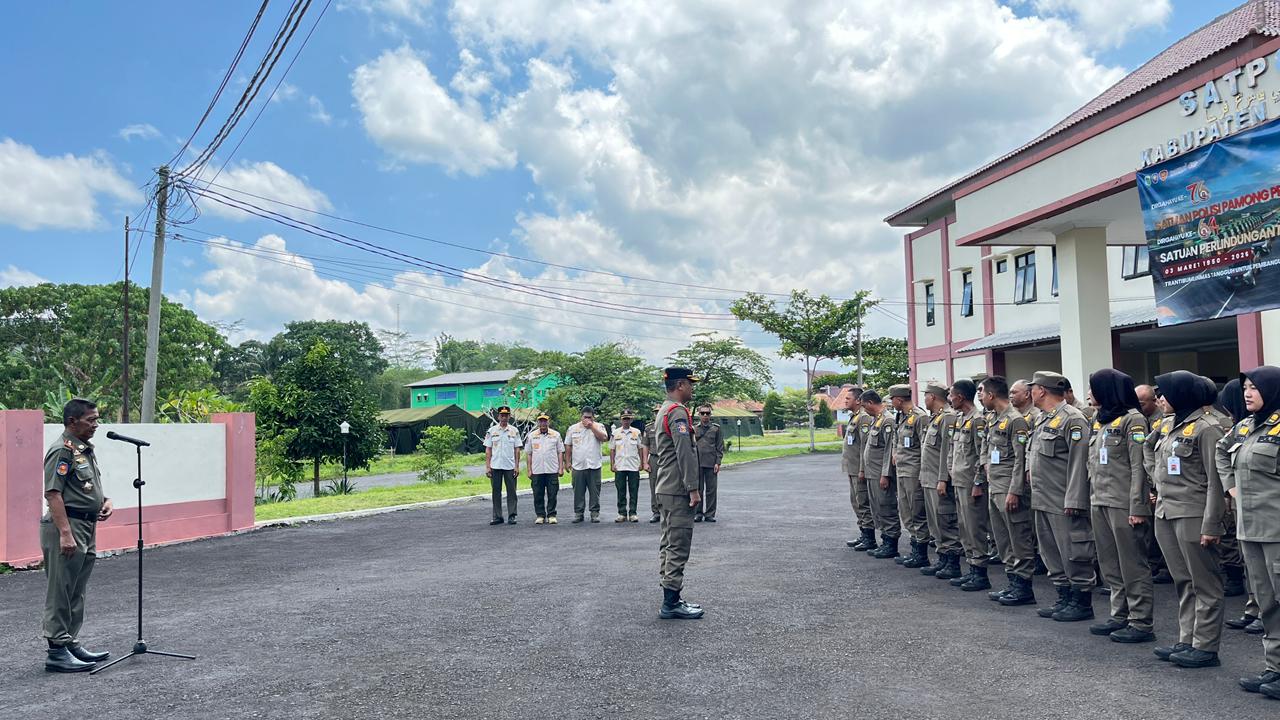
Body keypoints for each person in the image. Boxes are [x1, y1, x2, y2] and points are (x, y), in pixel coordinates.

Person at [1149, 370, 1227, 669]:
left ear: (1182, 395)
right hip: (1167, 511)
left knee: (1204, 582)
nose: (1161, 399)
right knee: (1183, 580)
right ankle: (1187, 639)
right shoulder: (1171, 425)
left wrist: (1211, 524)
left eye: (1166, 393)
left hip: (1194, 513)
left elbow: (1215, 482)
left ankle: (1206, 646)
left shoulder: (1207, 428)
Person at [41, 397, 113, 673]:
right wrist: (65, 534)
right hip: (66, 526)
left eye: (96, 419)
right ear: (72, 421)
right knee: (61, 589)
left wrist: (104, 500)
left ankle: (69, 642)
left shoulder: (82, 450)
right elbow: (53, 493)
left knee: (76, 589)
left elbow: (84, 487)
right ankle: (57, 651)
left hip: (86, 525)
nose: (96, 424)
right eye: (91, 420)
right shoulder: (61, 450)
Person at [1222, 366, 1280, 697]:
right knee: (1267, 603)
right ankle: (1275, 667)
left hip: (1276, 530)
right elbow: (1221, 452)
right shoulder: (1245, 426)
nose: (1247, 393)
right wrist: (1230, 486)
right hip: (1251, 530)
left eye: (1255, 387)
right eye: (1245, 387)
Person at [1085, 369, 1155, 643]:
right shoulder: (1099, 419)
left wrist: (1137, 506)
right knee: (1109, 563)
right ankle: (1119, 613)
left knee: (1132, 563)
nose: (1090, 394)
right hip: (1100, 499)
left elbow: (1139, 467)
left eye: (1094, 388)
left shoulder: (1133, 420)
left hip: (1123, 503)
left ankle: (1140, 621)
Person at [1026, 371, 1096, 622]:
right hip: (1043, 498)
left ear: (1042, 391)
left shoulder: (1072, 419)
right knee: (1051, 552)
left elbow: (1080, 463)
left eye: (1032, 388)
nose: (1030, 392)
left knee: (1073, 550)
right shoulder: (1042, 419)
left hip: (1063, 499)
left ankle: (1081, 601)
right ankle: (1064, 596)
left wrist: (1075, 499)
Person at [653, 368, 704, 619]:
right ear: (681, 385)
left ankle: (671, 596)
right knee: (678, 545)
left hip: (666, 486)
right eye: (690, 385)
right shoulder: (677, 412)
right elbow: (684, 452)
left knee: (668, 543)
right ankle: (671, 603)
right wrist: (693, 488)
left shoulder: (665, 409)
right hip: (677, 489)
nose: (692, 389)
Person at [981, 376, 1037, 606]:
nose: (980, 397)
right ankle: (1012, 581)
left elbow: (1020, 459)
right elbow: (986, 448)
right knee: (1003, 539)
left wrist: (1015, 491)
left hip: (1008, 488)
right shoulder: (993, 418)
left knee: (1018, 537)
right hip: (995, 486)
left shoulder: (1016, 420)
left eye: (982, 392)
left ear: (992, 395)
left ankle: (1024, 586)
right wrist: (984, 466)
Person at [946, 379, 992, 591]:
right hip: (959, 481)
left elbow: (981, 455)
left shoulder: (977, 420)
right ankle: (972, 569)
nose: (949, 399)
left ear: (961, 397)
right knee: (964, 528)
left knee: (975, 529)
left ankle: (980, 573)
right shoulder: (960, 419)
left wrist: (977, 482)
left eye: (951, 395)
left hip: (970, 483)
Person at [920, 383, 962, 578]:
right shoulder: (935, 418)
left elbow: (947, 451)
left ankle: (952, 562)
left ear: (934, 397)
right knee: (935, 522)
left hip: (939, 478)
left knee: (946, 520)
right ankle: (942, 558)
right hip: (928, 478)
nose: (925, 398)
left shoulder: (948, 418)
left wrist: (943, 479)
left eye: (926, 395)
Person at [888, 385, 931, 569]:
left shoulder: (919, 417)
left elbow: (925, 447)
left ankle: (921, 553)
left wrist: (923, 472)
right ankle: (914, 548)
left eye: (892, 399)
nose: (891, 403)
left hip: (914, 472)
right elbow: (898, 441)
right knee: (906, 511)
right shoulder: (901, 416)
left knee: (917, 512)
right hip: (902, 471)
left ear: (898, 399)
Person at [860, 390, 900, 559]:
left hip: (880, 474)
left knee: (886, 507)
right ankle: (885, 540)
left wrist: (886, 474)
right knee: (877, 508)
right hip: (872, 472)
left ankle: (891, 544)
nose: (864, 409)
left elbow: (889, 450)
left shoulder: (888, 420)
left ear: (870, 403)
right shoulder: (877, 420)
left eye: (864, 406)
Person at [841, 387, 877, 551]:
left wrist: (863, 469)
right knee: (856, 502)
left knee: (863, 503)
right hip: (852, 468)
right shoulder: (854, 417)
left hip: (858, 469)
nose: (845, 401)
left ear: (858, 400)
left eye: (848, 399)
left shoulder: (863, 418)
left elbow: (864, 446)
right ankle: (863, 533)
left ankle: (869, 538)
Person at [566, 408, 609, 523]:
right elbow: (568, 445)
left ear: (593, 417)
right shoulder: (573, 428)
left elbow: (604, 438)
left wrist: (592, 427)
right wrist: (568, 461)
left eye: (590, 417)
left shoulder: (599, 426)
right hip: (578, 465)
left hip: (594, 464)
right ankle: (578, 513)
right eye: (585, 417)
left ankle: (594, 513)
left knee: (595, 491)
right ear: (581, 417)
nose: (587, 419)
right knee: (578, 491)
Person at [484, 406, 522, 525]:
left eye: (506, 415)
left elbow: (517, 450)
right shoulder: (492, 431)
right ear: (498, 416)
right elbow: (488, 450)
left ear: (509, 416)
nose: (504, 417)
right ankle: (497, 516)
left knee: (512, 492)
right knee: (496, 492)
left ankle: (512, 515)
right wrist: (487, 466)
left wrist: (517, 466)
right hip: (495, 465)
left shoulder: (514, 431)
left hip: (509, 466)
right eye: (502, 415)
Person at [525, 413, 565, 525]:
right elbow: (529, 454)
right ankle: (540, 515)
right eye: (541, 421)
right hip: (537, 470)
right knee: (538, 493)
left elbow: (560, 452)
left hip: (552, 469)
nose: (543, 423)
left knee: (552, 493)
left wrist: (561, 467)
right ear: (538, 422)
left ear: (548, 422)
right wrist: (529, 469)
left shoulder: (555, 435)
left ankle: (552, 515)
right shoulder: (532, 436)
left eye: (545, 421)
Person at [611, 409, 645, 523]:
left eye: (628, 418)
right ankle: (621, 513)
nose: (626, 421)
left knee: (633, 490)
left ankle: (633, 513)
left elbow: (640, 448)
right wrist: (612, 464)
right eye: (624, 418)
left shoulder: (637, 432)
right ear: (621, 420)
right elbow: (612, 449)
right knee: (620, 490)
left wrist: (641, 462)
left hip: (633, 465)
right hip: (620, 465)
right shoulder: (615, 433)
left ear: (631, 419)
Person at [693, 405, 725, 523]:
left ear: (710, 415)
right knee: (698, 489)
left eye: (707, 413)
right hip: (698, 462)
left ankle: (710, 513)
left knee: (711, 489)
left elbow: (720, 447)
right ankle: (698, 513)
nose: (705, 415)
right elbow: (691, 446)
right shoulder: (694, 429)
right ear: (699, 415)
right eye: (703, 413)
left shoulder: (716, 429)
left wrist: (718, 462)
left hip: (711, 462)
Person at [644, 402, 662, 523]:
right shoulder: (649, 428)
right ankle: (656, 512)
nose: (657, 414)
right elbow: (645, 445)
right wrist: (645, 462)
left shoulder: (668, 426)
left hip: (667, 458)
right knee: (654, 486)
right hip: (654, 458)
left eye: (659, 411)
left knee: (669, 485)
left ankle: (666, 511)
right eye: (655, 412)